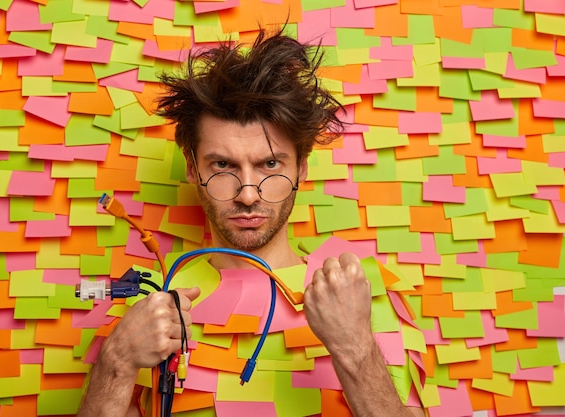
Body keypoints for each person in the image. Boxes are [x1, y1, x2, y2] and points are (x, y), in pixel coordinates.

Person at [77, 28, 424, 417]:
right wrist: (117, 363)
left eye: (270, 164)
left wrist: (356, 348)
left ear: (302, 169)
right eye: (223, 165)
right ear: (193, 169)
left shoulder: (364, 296)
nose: (247, 194)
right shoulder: (151, 302)